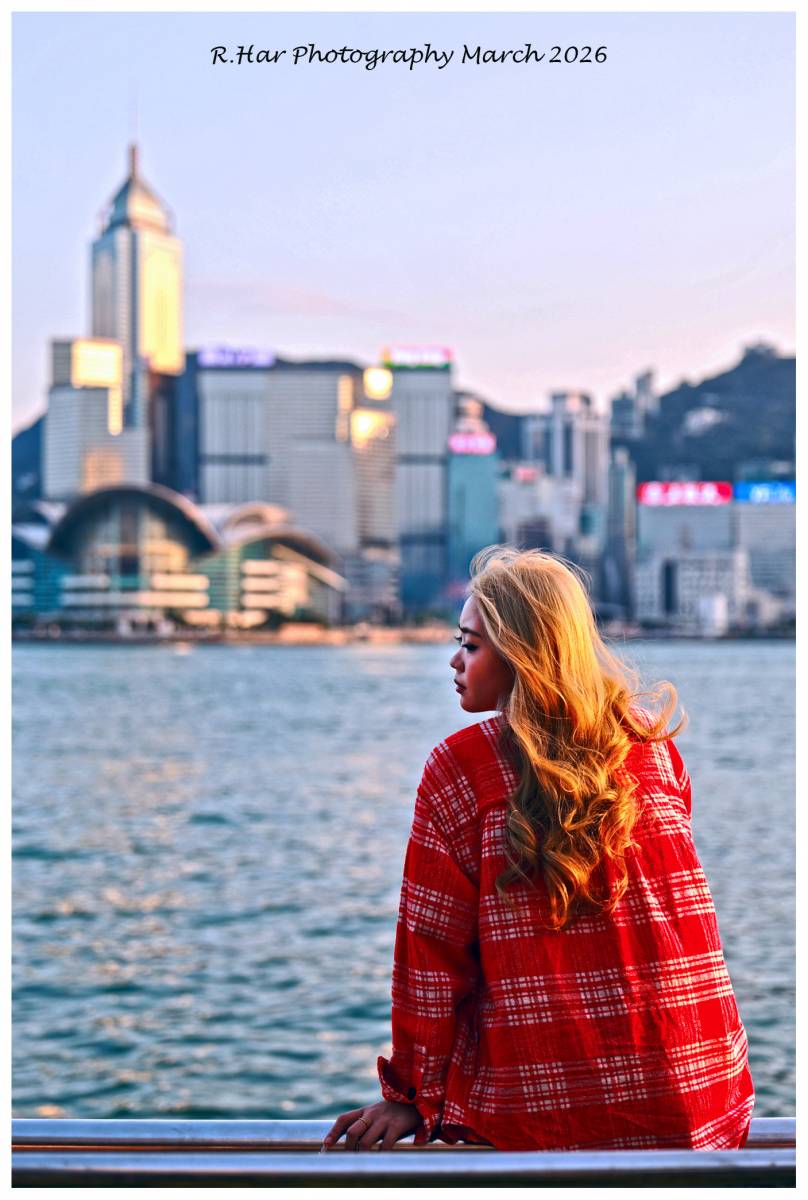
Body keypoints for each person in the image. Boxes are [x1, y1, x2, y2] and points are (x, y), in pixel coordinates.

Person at [322, 546, 754, 1153]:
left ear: (522, 655)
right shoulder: (652, 749)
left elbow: (431, 956)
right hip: (700, 1092)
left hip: (545, 1110)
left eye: (471, 646)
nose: (455, 660)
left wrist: (412, 1093)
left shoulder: (459, 770)